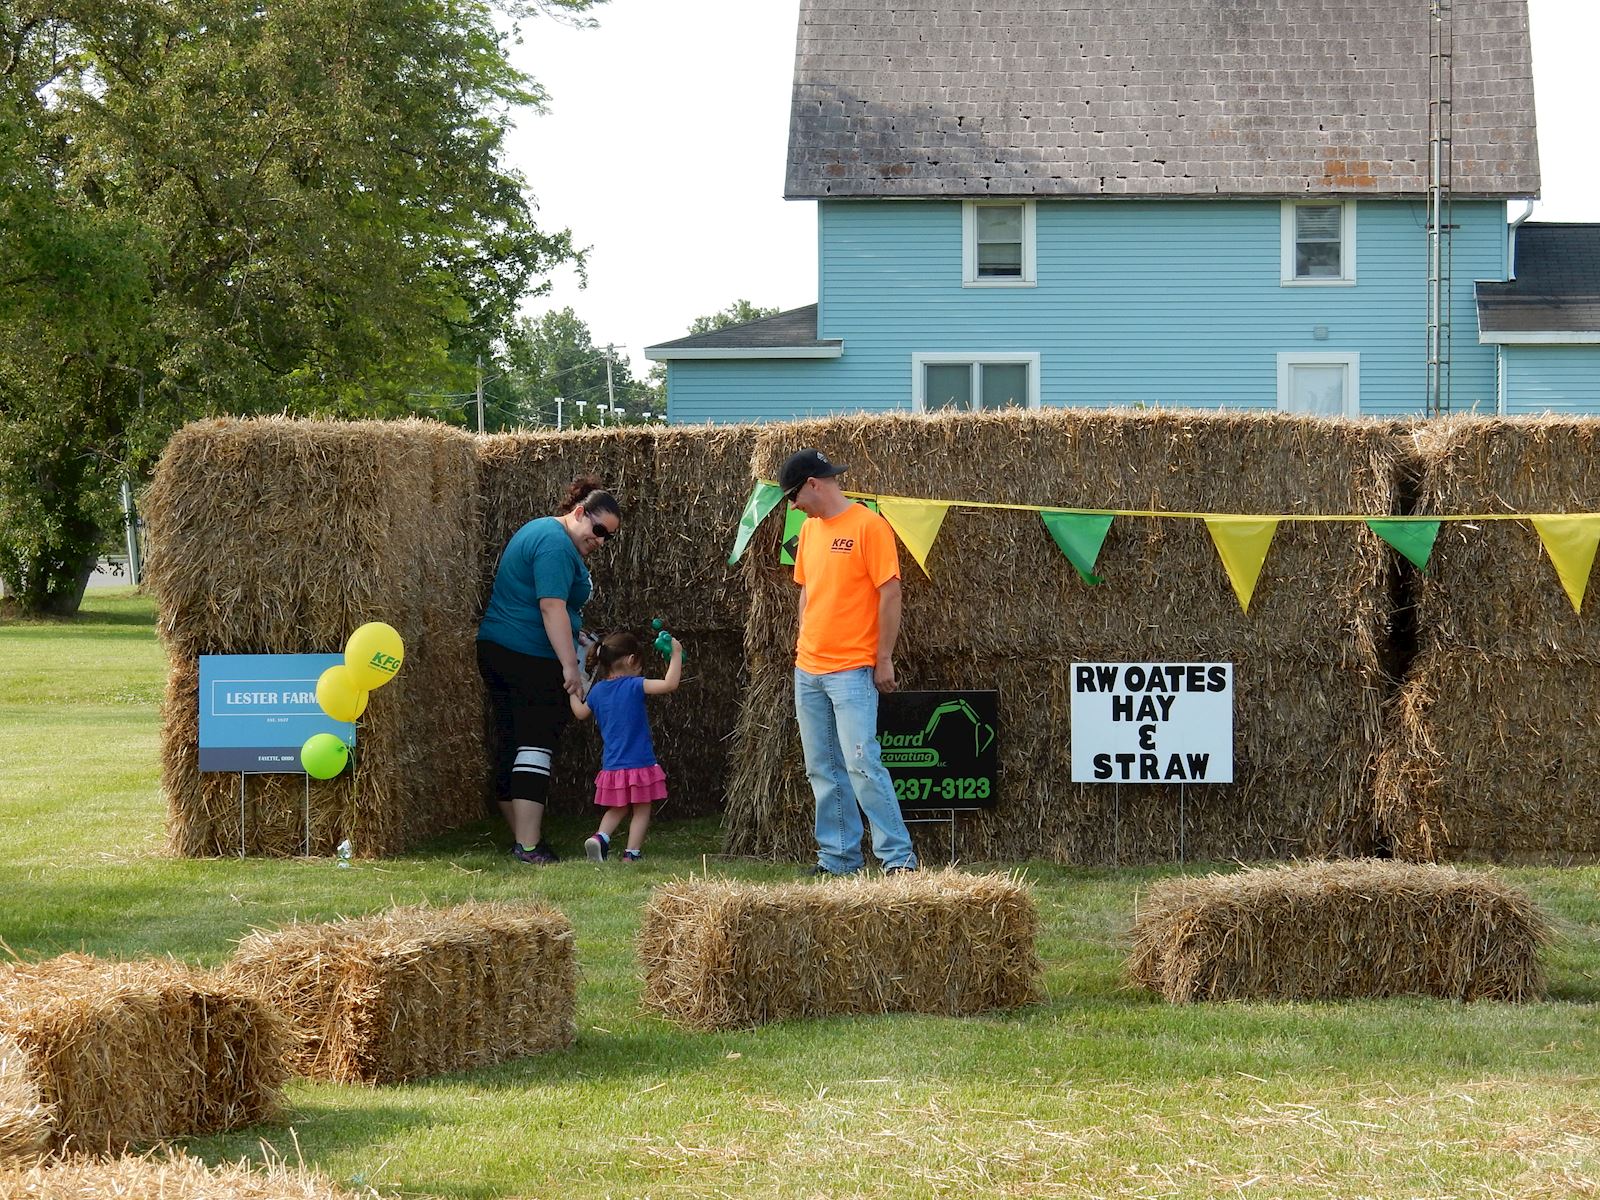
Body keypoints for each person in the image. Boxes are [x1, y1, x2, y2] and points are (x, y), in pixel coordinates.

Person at [780, 448, 919, 877]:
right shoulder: (808, 530)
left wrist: (883, 659)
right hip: (809, 669)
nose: (792, 505)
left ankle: (899, 861)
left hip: (852, 669)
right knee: (821, 768)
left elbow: (890, 593)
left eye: (793, 496)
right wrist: (805, 636)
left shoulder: (869, 526)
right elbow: (806, 589)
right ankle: (838, 859)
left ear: (813, 485)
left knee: (861, 763)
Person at [477, 475, 621, 865]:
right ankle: (528, 847)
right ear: (578, 513)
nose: (601, 540)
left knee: (512, 742)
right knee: (535, 744)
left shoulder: (544, 532)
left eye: (608, 536)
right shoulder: (556, 545)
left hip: (502, 648)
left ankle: (524, 838)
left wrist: (579, 636)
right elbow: (551, 607)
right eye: (597, 530)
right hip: (526, 654)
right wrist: (571, 666)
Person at [570, 630, 683, 863]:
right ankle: (631, 854)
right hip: (640, 762)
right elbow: (670, 684)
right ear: (632, 660)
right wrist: (676, 654)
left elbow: (580, 713)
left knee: (618, 808)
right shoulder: (634, 685)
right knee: (642, 809)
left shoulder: (598, 690)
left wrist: (573, 692)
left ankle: (600, 837)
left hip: (612, 765)